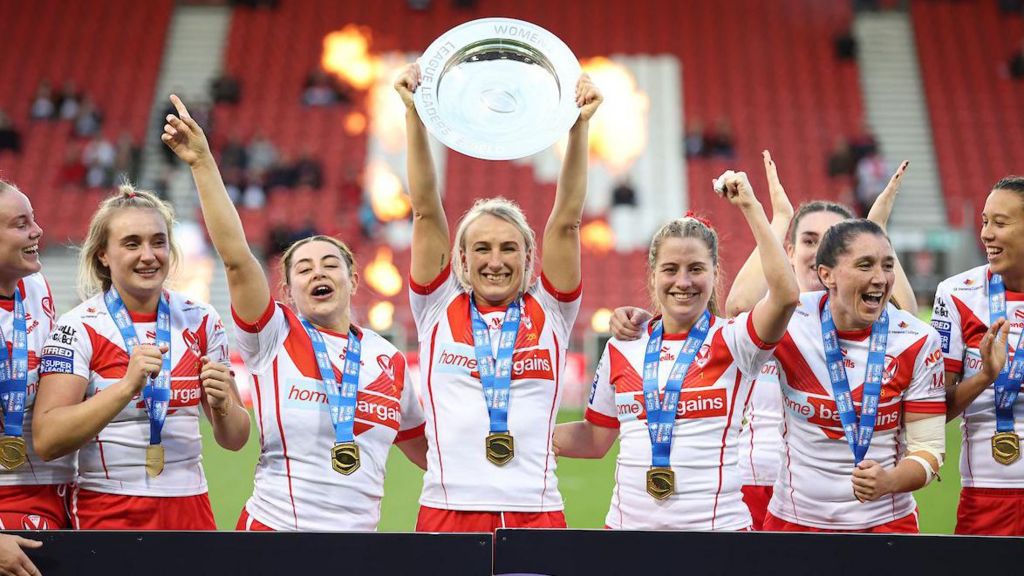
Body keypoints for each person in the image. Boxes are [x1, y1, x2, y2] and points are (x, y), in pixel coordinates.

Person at [161, 94, 427, 531]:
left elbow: (429, 454)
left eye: (329, 265)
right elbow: (236, 258)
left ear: (352, 281)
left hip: (356, 555)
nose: (317, 273)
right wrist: (203, 163)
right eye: (303, 268)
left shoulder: (389, 361)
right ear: (288, 290)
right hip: (275, 539)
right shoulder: (274, 335)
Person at [612, 153, 918, 530]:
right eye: (809, 240)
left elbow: (906, 313)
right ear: (788, 251)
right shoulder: (769, 319)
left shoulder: (876, 324)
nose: (821, 250)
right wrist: (778, 219)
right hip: (764, 487)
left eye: (835, 243)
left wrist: (876, 231)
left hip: (853, 495)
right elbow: (737, 304)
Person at [394, 63, 601, 532]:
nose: (495, 260)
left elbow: (566, 220)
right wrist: (413, 115)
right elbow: (426, 211)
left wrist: (579, 126)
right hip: (447, 512)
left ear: (529, 256)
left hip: (537, 513)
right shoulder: (435, 307)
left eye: (509, 248)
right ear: (461, 260)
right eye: (481, 248)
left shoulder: (552, 311)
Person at [554, 169, 799, 530]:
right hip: (627, 536)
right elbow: (595, 438)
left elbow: (786, 296)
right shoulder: (623, 345)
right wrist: (529, 435)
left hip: (717, 538)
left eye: (696, 269)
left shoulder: (734, 341)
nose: (683, 282)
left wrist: (751, 207)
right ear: (653, 275)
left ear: (715, 274)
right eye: (670, 269)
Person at [32, 185, 250, 530]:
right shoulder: (79, 327)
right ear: (103, 254)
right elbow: (47, 440)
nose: (148, 255)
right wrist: (125, 388)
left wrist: (223, 404)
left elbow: (235, 439)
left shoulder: (202, 319)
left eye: (158, 242)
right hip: (107, 512)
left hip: (191, 509)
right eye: (132, 243)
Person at [932, 175, 1024, 535]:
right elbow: (934, 409)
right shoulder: (957, 293)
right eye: (985, 221)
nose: (986, 233)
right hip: (987, 495)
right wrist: (985, 377)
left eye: (1000, 223)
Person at [0, 181, 73, 532]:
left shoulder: (36, 285)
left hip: (61, 492)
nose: (38, 231)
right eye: (20, 224)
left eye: (34, 219)